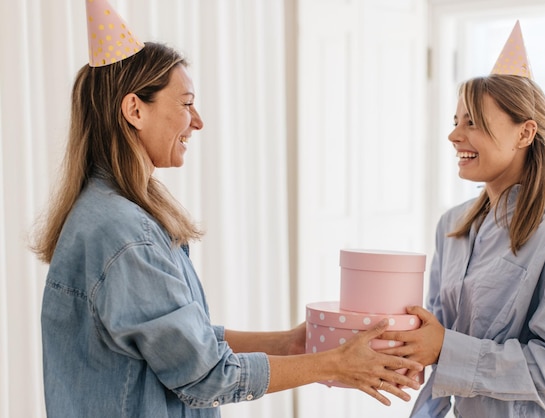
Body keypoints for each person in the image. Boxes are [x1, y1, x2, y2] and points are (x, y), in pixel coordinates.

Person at [30, 4, 423, 417]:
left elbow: (181, 341)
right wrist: (331, 364)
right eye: (185, 103)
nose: (197, 121)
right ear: (135, 110)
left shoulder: (106, 216)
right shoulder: (124, 233)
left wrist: (288, 342)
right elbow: (205, 374)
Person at [380, 23, 545, 418]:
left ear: (525, 133)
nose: (454, 135)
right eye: (455, 121)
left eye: (472, 122)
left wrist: (445, 348)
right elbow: (438, 344)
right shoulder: (453, 228)